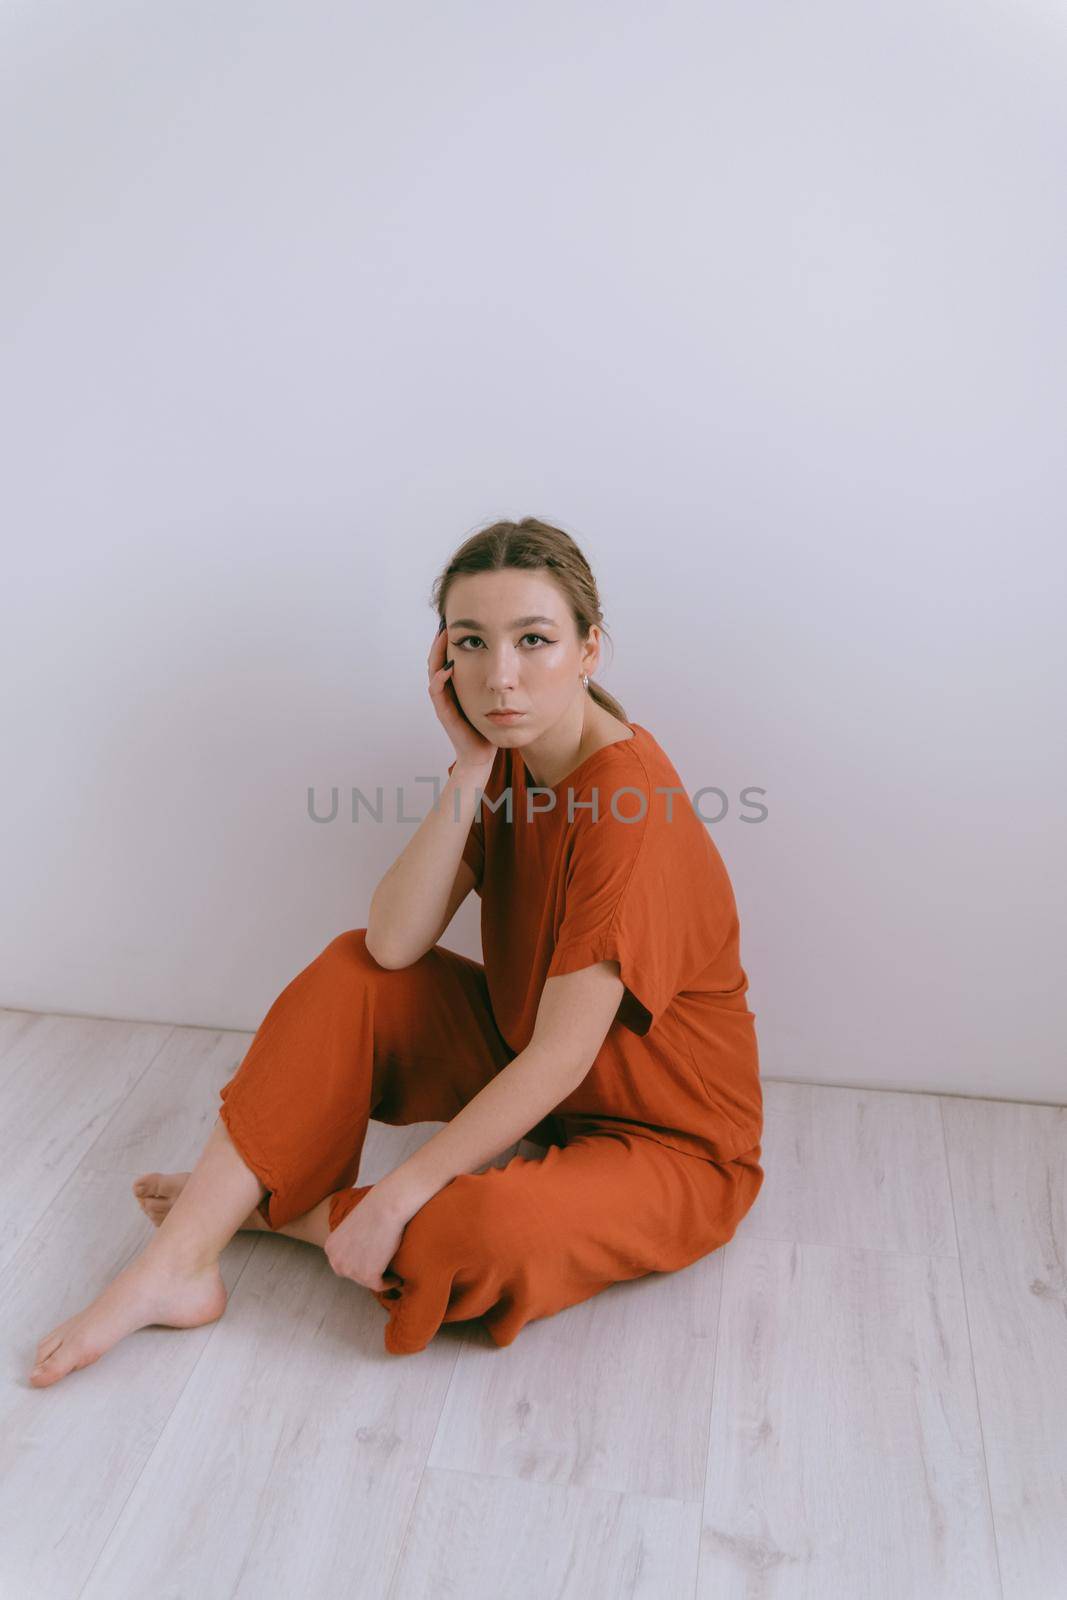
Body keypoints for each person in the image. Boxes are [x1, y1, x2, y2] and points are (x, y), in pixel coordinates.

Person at [29, 517, 763, 1385]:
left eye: (535, 640)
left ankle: (278, 1213)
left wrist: (405, 1191)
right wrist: (466, 771)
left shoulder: (626, 810)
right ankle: (175, 1265)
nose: (501, 676)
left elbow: (567, 1057)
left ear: (589, 649)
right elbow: (392, 942)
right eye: (471, 643)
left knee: (469, 1238)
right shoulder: (514, 760)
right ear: (442, 659)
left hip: (668, 1138)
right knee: (353, 973)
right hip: (535, 1066)